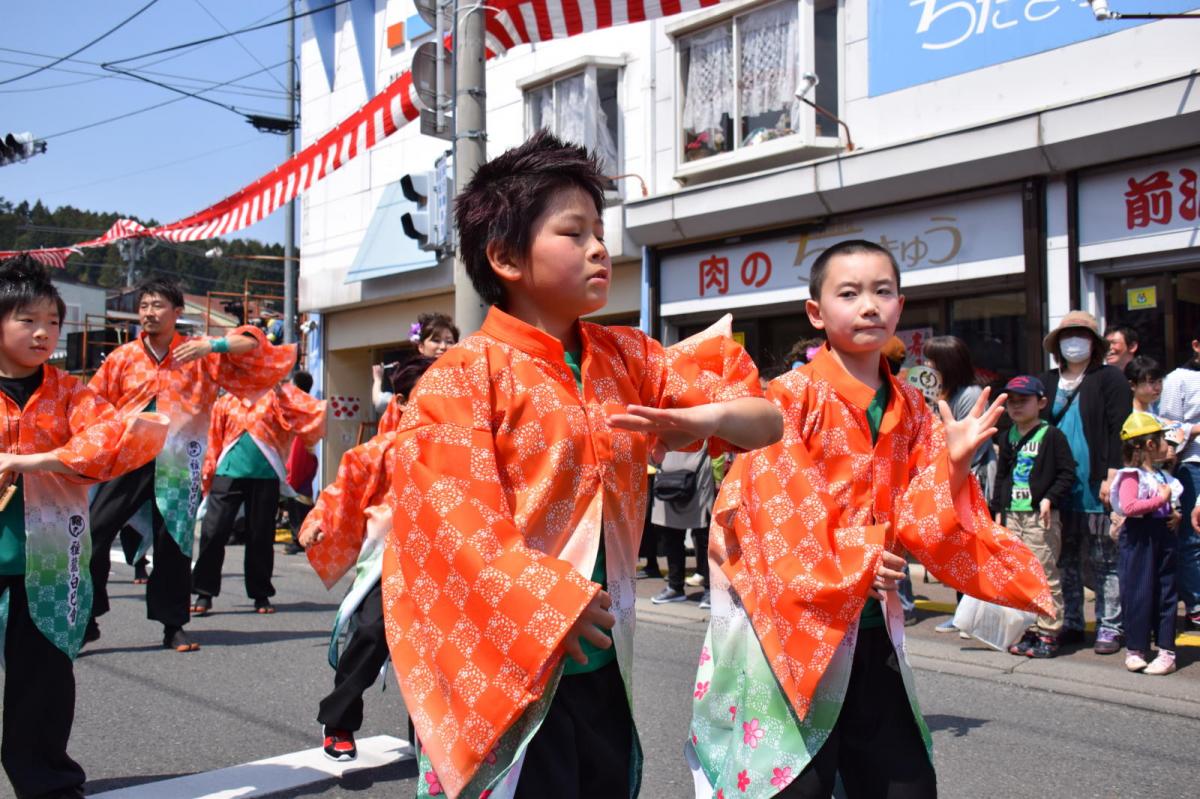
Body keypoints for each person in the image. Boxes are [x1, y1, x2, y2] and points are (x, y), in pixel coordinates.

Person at [382, 131, 783, 799]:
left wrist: (705, 419)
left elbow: (765, 422)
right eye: (574, 232)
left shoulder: (630, 357)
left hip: (602, 658)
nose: (600, 247)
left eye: (599, 230)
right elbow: (455, 529)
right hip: (510, 669)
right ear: (505, 257)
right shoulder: (462, 378)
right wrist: (552, 602)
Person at [687, 240, 1051, 799]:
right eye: (849, 293)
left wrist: (954, 463)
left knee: (904, 785)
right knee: (793, 786)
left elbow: (922, 517)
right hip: (793, 628)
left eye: (882, 292)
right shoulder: (788, 397)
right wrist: (856, 558)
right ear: (816, 312)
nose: (868, 305)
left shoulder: (912, 407)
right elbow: (767, 511)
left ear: (900, 307)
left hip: (872, 621)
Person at [0, 256, 168, 799]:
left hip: (48, 558)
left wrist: (30, 461)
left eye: (52, 321)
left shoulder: (71, 391)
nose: (43, 332)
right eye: (27, 320)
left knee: (44, 679)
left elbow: (109, 440)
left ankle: (47, 784)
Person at [84, 277, 296, 652]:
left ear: (177, 312)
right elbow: (92, 406)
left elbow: (257, 344)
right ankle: (88, 616)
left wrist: (213, 344)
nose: (149, 312)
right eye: (144, 306)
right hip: (127, 458)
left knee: (174, 544)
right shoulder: (122, 357)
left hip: (178, 464)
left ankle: (173, 625)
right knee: (92, 535)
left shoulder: (200, 354)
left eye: (158, 305)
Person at [299, 356, 434, 761]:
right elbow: (343, 490)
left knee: (437, 650)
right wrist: (317, 521)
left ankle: (432, 737)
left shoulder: (468, 447)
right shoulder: (382, 449)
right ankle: (338, 719)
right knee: (372, 632)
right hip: (389, 559)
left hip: (446, 562)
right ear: (403, 402)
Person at [191, 374, 326, 615]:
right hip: (227, 470)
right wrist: (208, 472)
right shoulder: (226, 401)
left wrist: (283, 391)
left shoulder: (276, 397)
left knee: (260, 535)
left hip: (265, 472)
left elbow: (306, 414)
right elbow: (214, 439)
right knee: (214, 531)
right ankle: (204, 592)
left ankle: (260, 593)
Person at [1038, 311, 1132, 654]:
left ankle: (1110, 626)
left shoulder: (1110, 378)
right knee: (1065, 560)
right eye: (1067, 335)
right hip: (1059, 487)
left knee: (1105, 558)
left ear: (1094, 343)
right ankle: (1073, 622)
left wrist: (1113, 474)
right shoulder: (1046, 381)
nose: (1073, 342)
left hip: (1097, 485)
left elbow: (1119, 429)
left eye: (1081, 335)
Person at [991, 375, 1076, 659]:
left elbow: (1067, 473)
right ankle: (1030, 628)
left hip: (1041, 517)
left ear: (1041, 403)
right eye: (1012, 401)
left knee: (1044, 573)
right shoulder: (1007, 436)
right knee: (1020, 575)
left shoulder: (1052, 435)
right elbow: (1002, 476)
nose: (1016, 406)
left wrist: (1050, 498)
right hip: (1013, 515)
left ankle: (1049, 632)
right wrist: (998, 509)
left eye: (1023, 400)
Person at [924, 335, 998, 633]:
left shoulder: (970, 394)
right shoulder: (946, 392)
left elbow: (970, 445)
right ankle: (964, 614)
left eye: (932, 361)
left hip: (970, 479)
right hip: (954, 478)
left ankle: (972, 617)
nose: (927, 366)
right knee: (958, 551)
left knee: (969, 550)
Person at [1113, 412, 1181, 675]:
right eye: (1164, 440)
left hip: (1163, 534)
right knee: (1137, 591)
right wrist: (1160, 501)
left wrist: (1174, 514)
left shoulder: (1163, 476)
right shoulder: (1132, 475)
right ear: (1150, 445)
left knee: (1166, 591)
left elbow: (1171, 503)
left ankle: (1166, 652)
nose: (1168, 445)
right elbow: (1129, 506)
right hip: (1139, 536)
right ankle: (1136, 649)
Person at [1158, 324, 1200, 632]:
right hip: (1193, 465)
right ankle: (1196, 605)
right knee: (1193, 538)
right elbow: (1168, 428)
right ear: (1196, 345)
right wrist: (1195, 429)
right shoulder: (1178, 379)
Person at [647, 448, 715, 606]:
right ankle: (675, 586)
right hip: (666, 472)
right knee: (670, 535)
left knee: (704, 537)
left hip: (698, 473)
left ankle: (710, 589)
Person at [370, 313, 458, 415]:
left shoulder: (463, 375)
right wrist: (377, 380)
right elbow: (382, 403)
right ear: (421, 346)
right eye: (436, 340)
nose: (443, 346)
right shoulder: (412, 376)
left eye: (449, 341)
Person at [283, 371, 320, 555]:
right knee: (302, 494)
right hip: (306, 451)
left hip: (299, 448)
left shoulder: (299, 406)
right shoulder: (309, 404)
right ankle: (302, 536)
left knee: (297, 494)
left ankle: (299, 538)